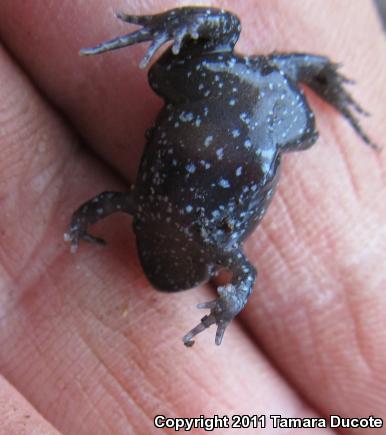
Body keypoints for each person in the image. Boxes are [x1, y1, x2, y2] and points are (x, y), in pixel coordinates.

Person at [0, 1, 384, 433]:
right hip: (254, 99)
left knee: (228, 65)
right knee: (214, 68)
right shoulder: (144, 208)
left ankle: (290, 64)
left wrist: (226, 307)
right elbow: (109, 202)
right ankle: (287, 63)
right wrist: (79, 225)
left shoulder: (207, 240)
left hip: (253, 100)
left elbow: (243, 277)